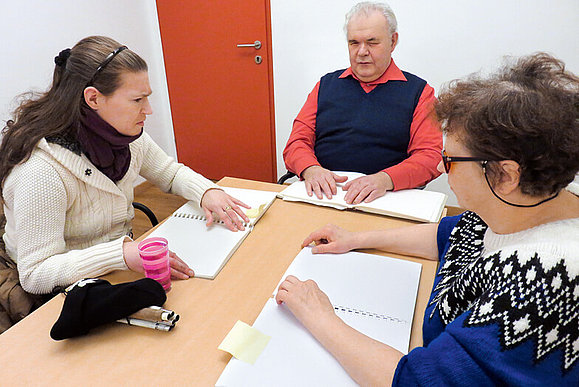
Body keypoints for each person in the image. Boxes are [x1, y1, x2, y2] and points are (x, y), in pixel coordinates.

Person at [276, 53, 579, 385]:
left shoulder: (544, 290)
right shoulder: (530, 201)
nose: (439, 168)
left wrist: (320, 316)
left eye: (449, 161)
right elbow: (451, 236)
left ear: (506, 174)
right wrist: (356, 238)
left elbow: (417, 380)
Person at [0, 36, 251, 296]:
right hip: (65, 290)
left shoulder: (126, 137)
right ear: (94, 99)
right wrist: (120, 254)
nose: (149, 110)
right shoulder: (40, 170)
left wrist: (207, 192)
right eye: (137, 100)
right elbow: (36, 274)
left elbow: (170, 173)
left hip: (118, 267)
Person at [282, 1, 442, 204]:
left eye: (372, 42)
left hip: (385, 197)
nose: (362, 51)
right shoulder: (325, 85)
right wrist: (310, 169)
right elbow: (296, 142)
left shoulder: (420, 93)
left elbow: (430, 156)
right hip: (324, 194)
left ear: (393, 42)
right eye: (354, 43)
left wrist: (385, 180)